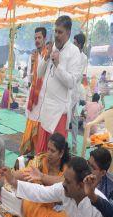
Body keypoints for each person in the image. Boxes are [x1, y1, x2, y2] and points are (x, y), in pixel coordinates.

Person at [35, 16, 81, 153]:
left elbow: (72, 82)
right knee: (42, 153)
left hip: (59, 113)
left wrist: (58, 65)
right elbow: (39, 73)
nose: (56, 35)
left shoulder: (74, 52)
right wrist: (47, 56)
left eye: (60, 32)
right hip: (45, 109)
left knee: (55, 154)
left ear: (68, 33)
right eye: (55, 31)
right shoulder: (53, 47)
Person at [14, 133, 71, 217]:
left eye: (52, 151)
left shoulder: (67, 169)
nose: (48, 153)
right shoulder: (40, 161)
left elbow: (63, 183)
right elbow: (24, 173)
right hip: (37, 203)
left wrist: (42, 177)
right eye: (48, 149)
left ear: (61, 153)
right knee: (28, 202)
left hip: (55, 206)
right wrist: (10, 175)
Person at [20, 27, 47, 155]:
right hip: (33, 98)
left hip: (43, 99)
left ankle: (39, 155)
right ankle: (31, 156)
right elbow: (30, 78)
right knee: (31, 126)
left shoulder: (48, 56)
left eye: (39, 37)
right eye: (35, 38)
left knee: (40, 130)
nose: (37, 40)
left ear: (44, 38)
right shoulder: (33, 56)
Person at [71, 33, 88, 154]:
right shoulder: (70, 53)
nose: (73, 44)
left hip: (74, 91)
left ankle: (74, 145)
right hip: (66, 90)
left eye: (75, 43)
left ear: (80, 45)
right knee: (64, 118)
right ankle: (62, 143)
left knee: (74, 120)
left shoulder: (83, 58)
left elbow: (78, 75)